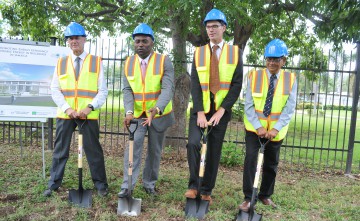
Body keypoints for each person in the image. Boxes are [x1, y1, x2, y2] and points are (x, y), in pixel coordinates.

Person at [43, 22, 109, 197]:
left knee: (94, 151)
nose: (74, 41)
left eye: (77, 38)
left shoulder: (96, 62)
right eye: (70, 38)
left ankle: (101, 185)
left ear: (84, 39)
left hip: (88, 115)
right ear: (68, 42)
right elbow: (54, 89)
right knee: (60, 151)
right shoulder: (61, 62)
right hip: (66, 115)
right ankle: (53, 184)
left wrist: (89, 107)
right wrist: (67, 109)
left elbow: (103, 91)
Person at [185, 9, 243, 204]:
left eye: (215, 26)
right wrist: (200, 111)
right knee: (193, 143)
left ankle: (207, 189)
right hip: (200, 110)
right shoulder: (199, 52)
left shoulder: (235, 53)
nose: (211, 30)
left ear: (224, 28)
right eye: (208, 27)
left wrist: (222, 110)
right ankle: (194, 186)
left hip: (220, 111)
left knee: (213, 150)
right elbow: (194, 83)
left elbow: (236, 84)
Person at [239, 39, 297, 211]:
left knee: (271, 163)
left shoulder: (291, 79)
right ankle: (248, 197)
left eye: (276, 59)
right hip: (254, 128)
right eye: (269, 59)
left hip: (276, 131)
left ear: (283, 60)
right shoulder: (253, 76)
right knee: (250, 160)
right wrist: (259, 127)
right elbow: (248, 105)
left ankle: (265, 195)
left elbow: (289, 107)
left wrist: (275, 129)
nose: (272, 62)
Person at [118, 23, 175, 197]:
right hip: (137, 115)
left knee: (154, 151)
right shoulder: (128, 63)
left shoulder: (164, 60)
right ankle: (127, 186)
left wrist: (157, 108)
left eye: (144, 41)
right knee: (132, 149)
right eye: (137, 41)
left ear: (152, 43)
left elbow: (168, 88)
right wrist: (128, 112)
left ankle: (149, 183)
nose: (140, 44)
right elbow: (127, 90)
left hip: (158, 114)